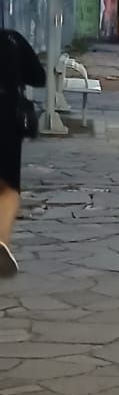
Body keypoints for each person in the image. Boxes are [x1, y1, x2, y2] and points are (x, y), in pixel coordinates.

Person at [0, 26, 45, 277]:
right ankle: (2, 241)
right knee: (8, 188)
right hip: (6, 115)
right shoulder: (12, 39)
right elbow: (38, 76)